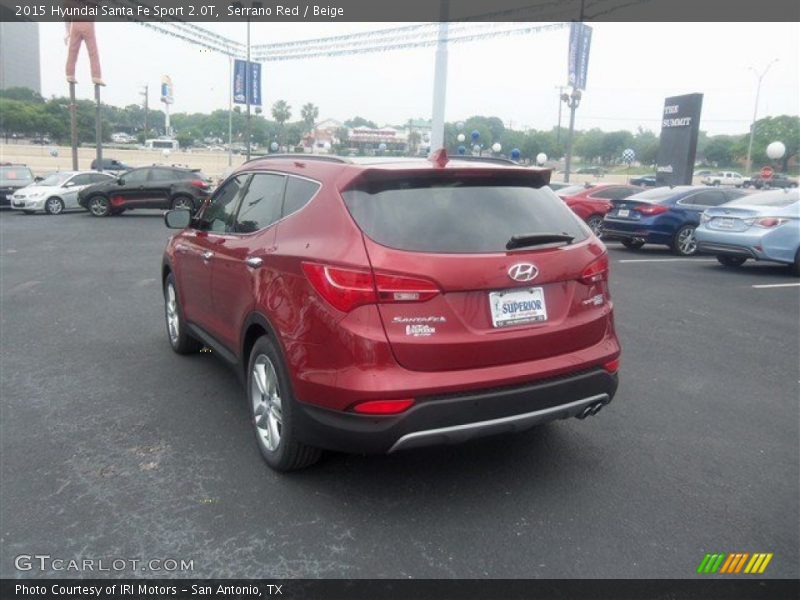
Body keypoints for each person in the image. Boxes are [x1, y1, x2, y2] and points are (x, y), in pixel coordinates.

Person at [64, 7, 104, 86]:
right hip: (87, 24)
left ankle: (70, 74)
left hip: (75, 25)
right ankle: (96, 76)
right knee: (93, 52)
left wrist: (67, 32)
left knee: (72, 51)